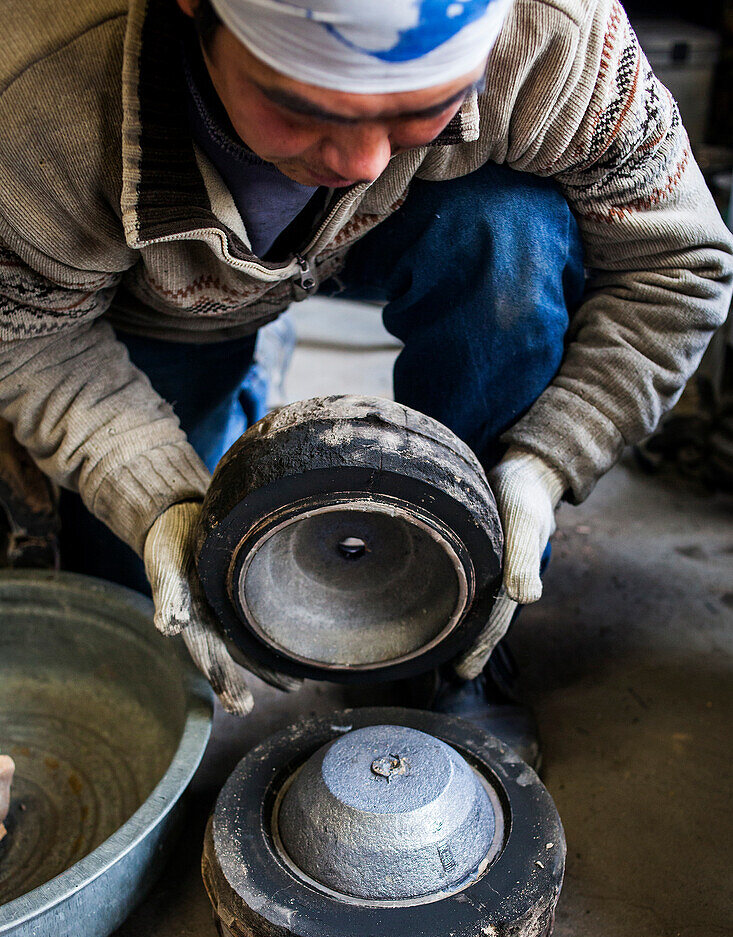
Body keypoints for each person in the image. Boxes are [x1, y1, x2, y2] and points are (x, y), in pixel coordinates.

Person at [0, 0, 731, 767]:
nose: (359, 163)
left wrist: (549, 459)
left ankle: (446, 634)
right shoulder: (35, 105)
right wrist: (149, 491)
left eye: (421, 109)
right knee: (133, 603)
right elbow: (26, 338)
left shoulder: (555, 35)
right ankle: (236, 377)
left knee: (508, 232)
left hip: (432, 211)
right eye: (301, 108)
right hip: (167, 292)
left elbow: (675, 265)